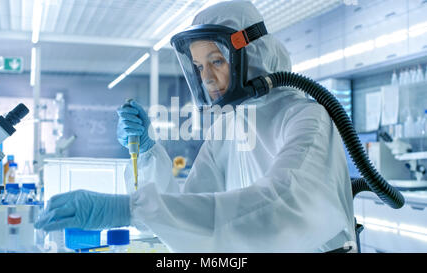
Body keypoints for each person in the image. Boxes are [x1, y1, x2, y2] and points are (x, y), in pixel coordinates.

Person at [35, 1, 356, 252]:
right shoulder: (230, 125)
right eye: (199, 65)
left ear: (252, 54)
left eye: (216, 61)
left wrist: (128, 209)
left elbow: (280, 206)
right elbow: (193, 211)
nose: (206, 77)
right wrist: (148, 153)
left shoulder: (305, 117)